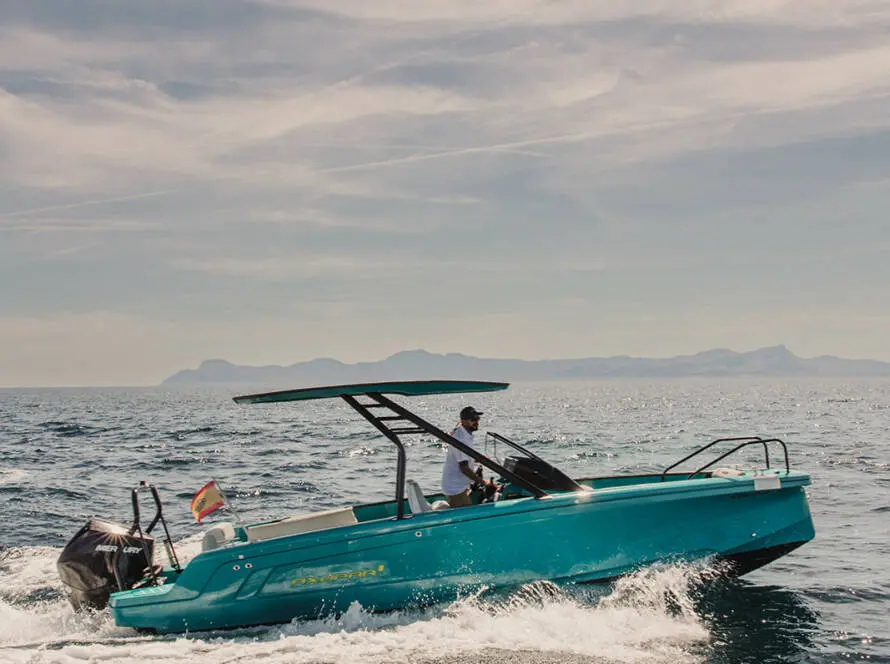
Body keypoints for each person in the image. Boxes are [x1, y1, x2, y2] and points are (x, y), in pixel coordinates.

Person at [441, 405, 497, 507]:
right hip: (455, 488)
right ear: (463, 421)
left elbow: (462, 457)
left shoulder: (464, 433)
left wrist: (478, 459)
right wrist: (484, 482)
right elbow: (464, 468)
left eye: (477, 418)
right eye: (473, 420)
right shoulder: (461, 438)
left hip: (460, 485)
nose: (477, 422)